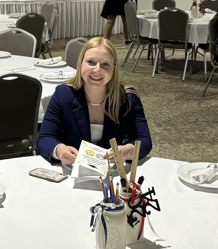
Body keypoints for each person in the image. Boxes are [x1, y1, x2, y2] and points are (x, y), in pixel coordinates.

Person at [37, 36, 152, 165]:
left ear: (114, 69)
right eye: (91, 62)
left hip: (112, 173)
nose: (97, 70)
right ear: (80, 63)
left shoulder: (128, 99)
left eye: (105, 65)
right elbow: (44, 138)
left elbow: (145, 140)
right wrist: (60, 150)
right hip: (72, 169)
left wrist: (127, 151)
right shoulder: (63, 95)